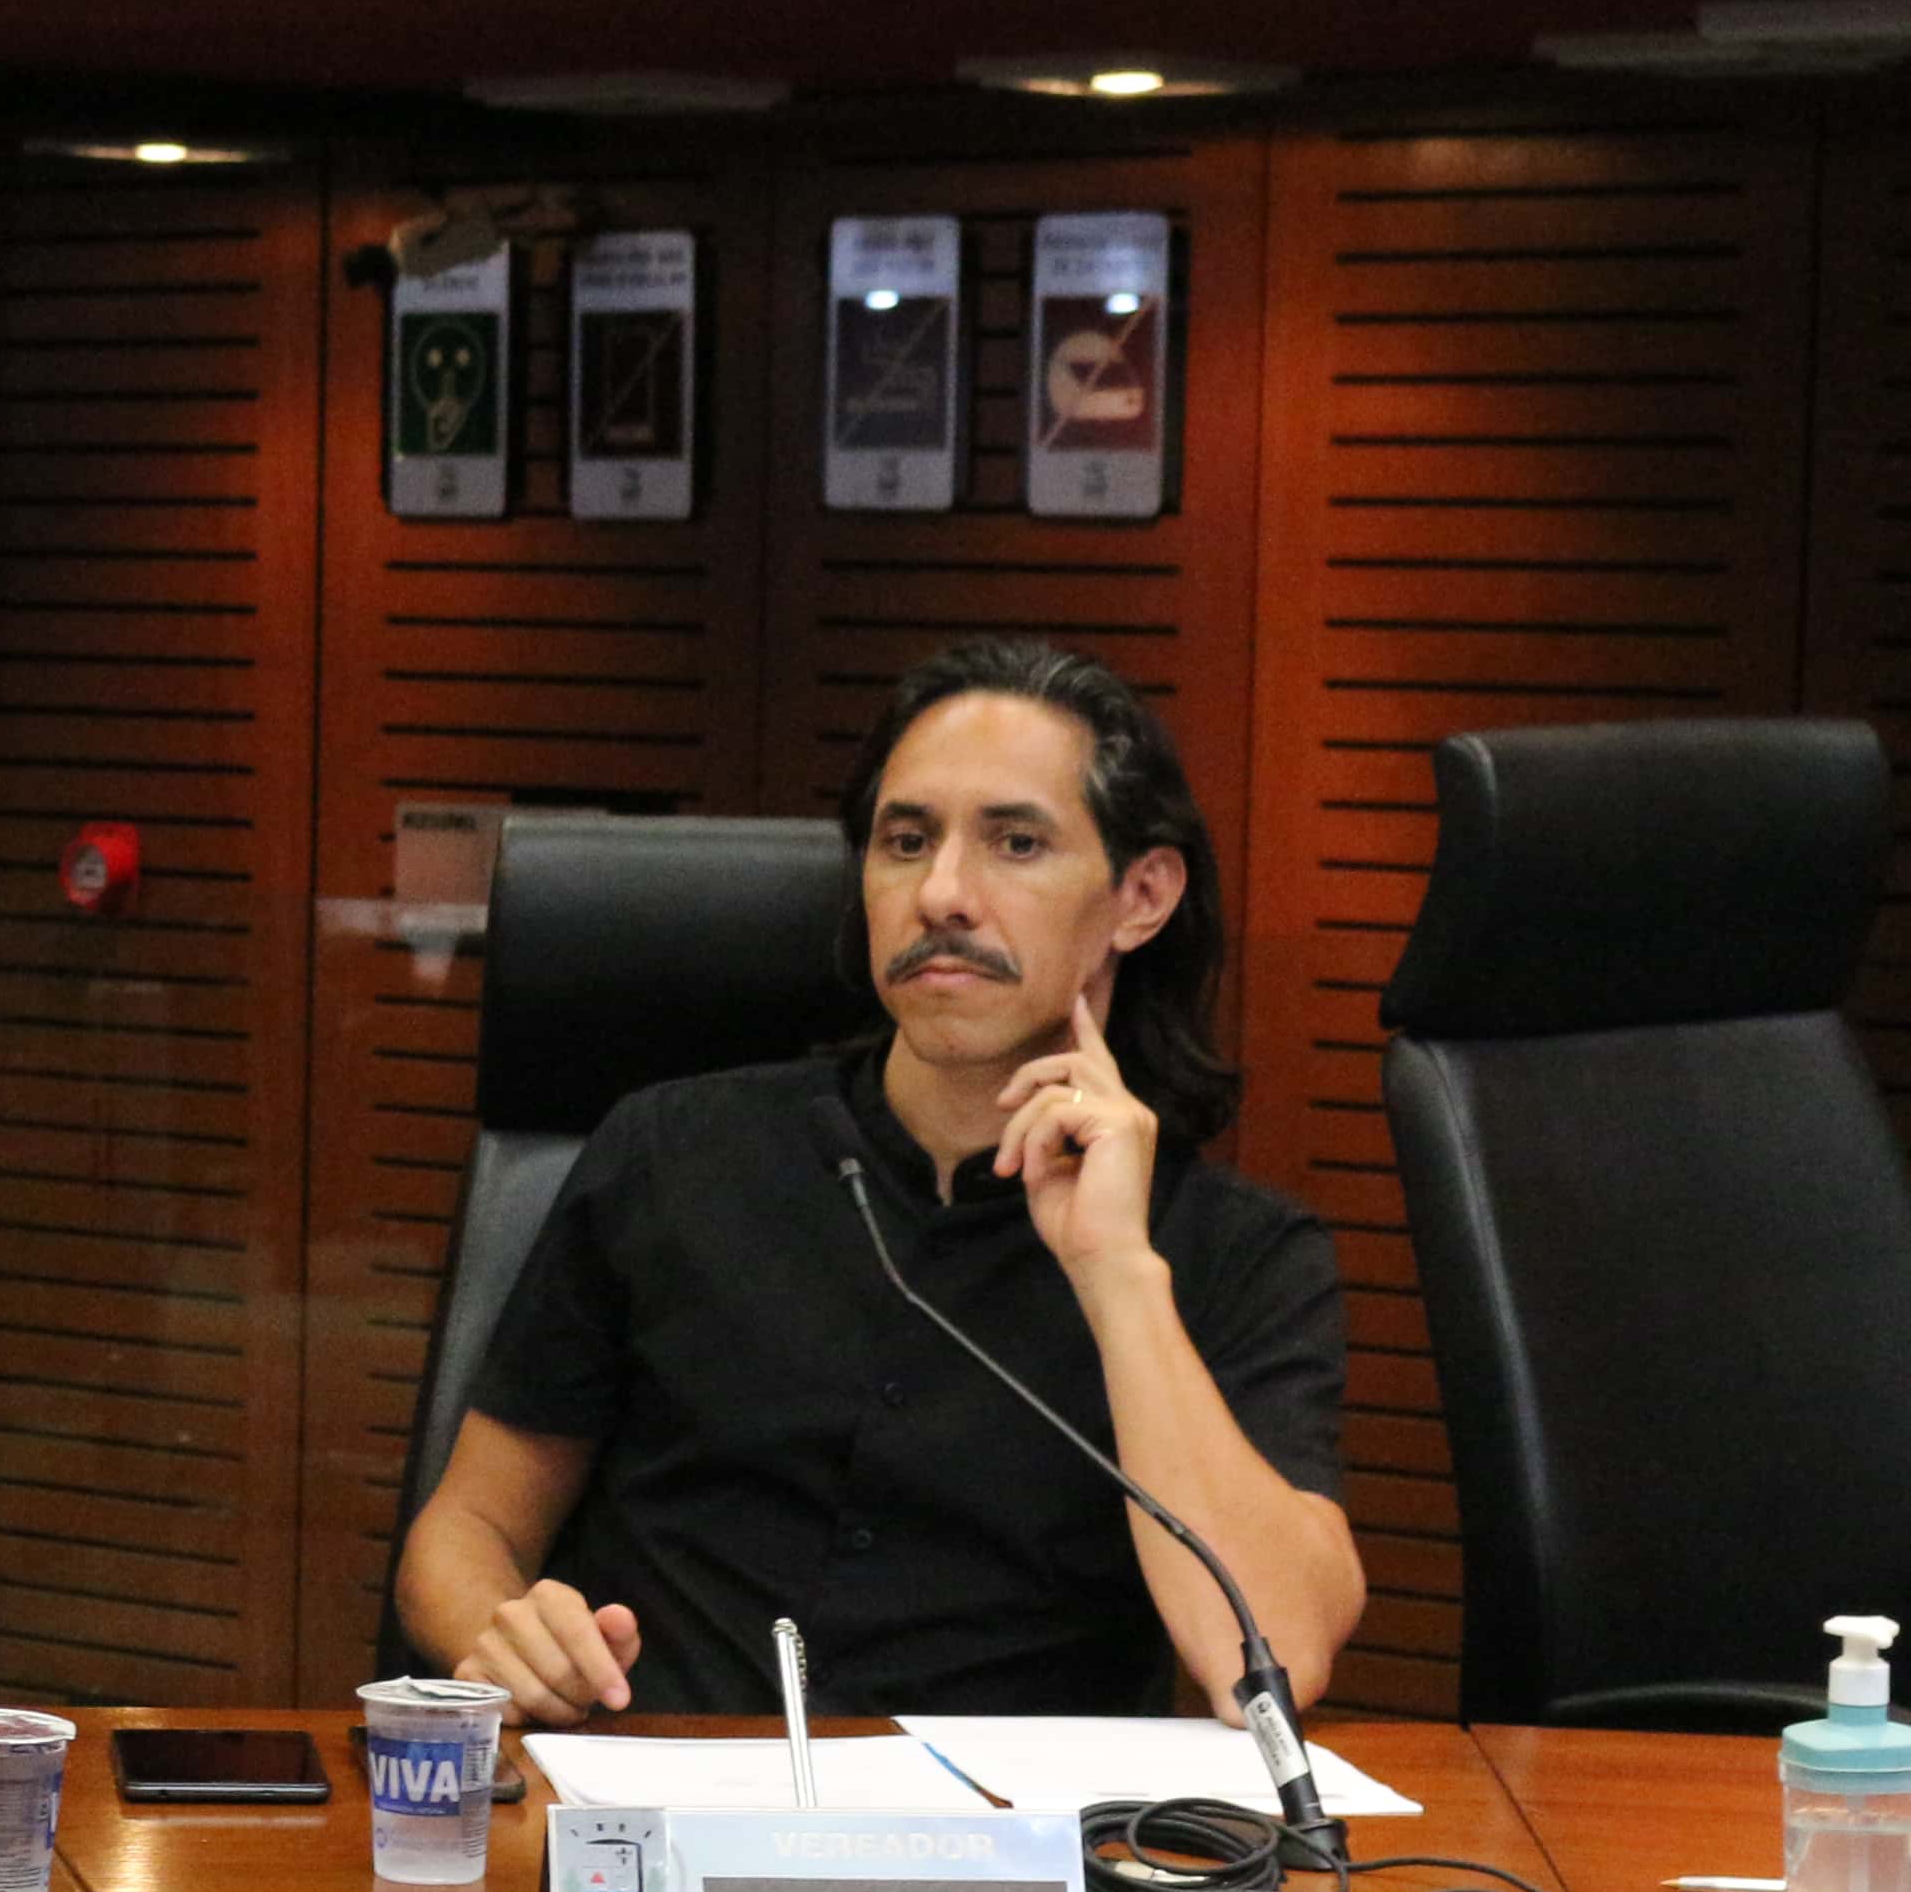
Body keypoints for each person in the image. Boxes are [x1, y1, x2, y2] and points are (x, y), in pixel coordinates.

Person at [394, 638, 1362, 1725]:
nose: (942, 894)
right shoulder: (669, 1153)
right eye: (907, 842)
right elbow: (463, 1534)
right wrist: (506, 1635)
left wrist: (1117, 1276)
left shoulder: (1240, 1253)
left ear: (1140, 897)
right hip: (658, 1789)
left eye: (1016, 843)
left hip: (1012, 1822)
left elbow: (1272, 1657)